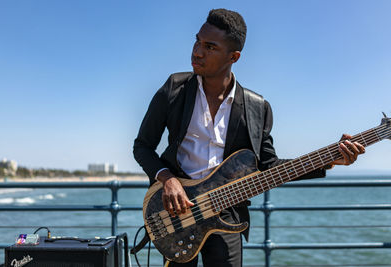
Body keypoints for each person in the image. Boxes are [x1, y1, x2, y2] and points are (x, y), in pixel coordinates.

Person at [133, 8, 365, 267]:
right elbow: (142, 146)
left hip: (227, 212)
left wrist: (330, 160)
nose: (197, 52)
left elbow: (268, 166)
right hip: (176, 212)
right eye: (197, 41)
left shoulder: (257, 108)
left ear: (234, 56)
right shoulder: (173, 89)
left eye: (209, 47)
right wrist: (168, 180)